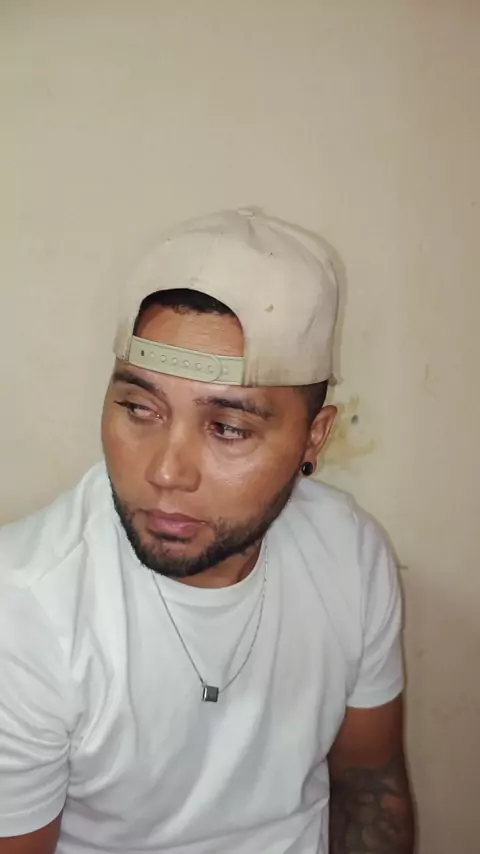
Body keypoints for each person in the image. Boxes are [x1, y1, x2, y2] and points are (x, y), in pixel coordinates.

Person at [0, 208, 414, 853]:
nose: (165, 472)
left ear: (314, 438)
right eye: (140, 408)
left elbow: (369, 788)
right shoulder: (25, 607)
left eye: (228, 428)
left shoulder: (350, 553)